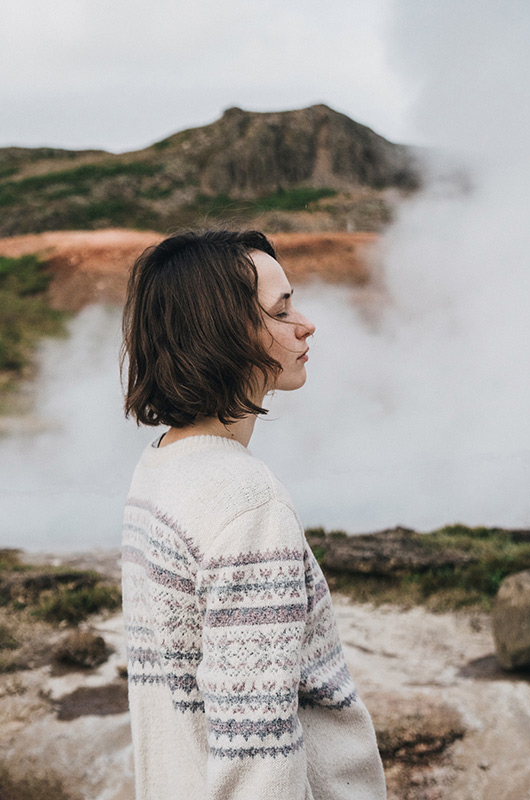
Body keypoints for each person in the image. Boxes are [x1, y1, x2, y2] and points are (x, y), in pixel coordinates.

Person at [121, 230, 387, 800]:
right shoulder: (246, 502)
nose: (306, 324)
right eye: (282, 310)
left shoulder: (161, 465)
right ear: (223, 337)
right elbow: (257, 752)